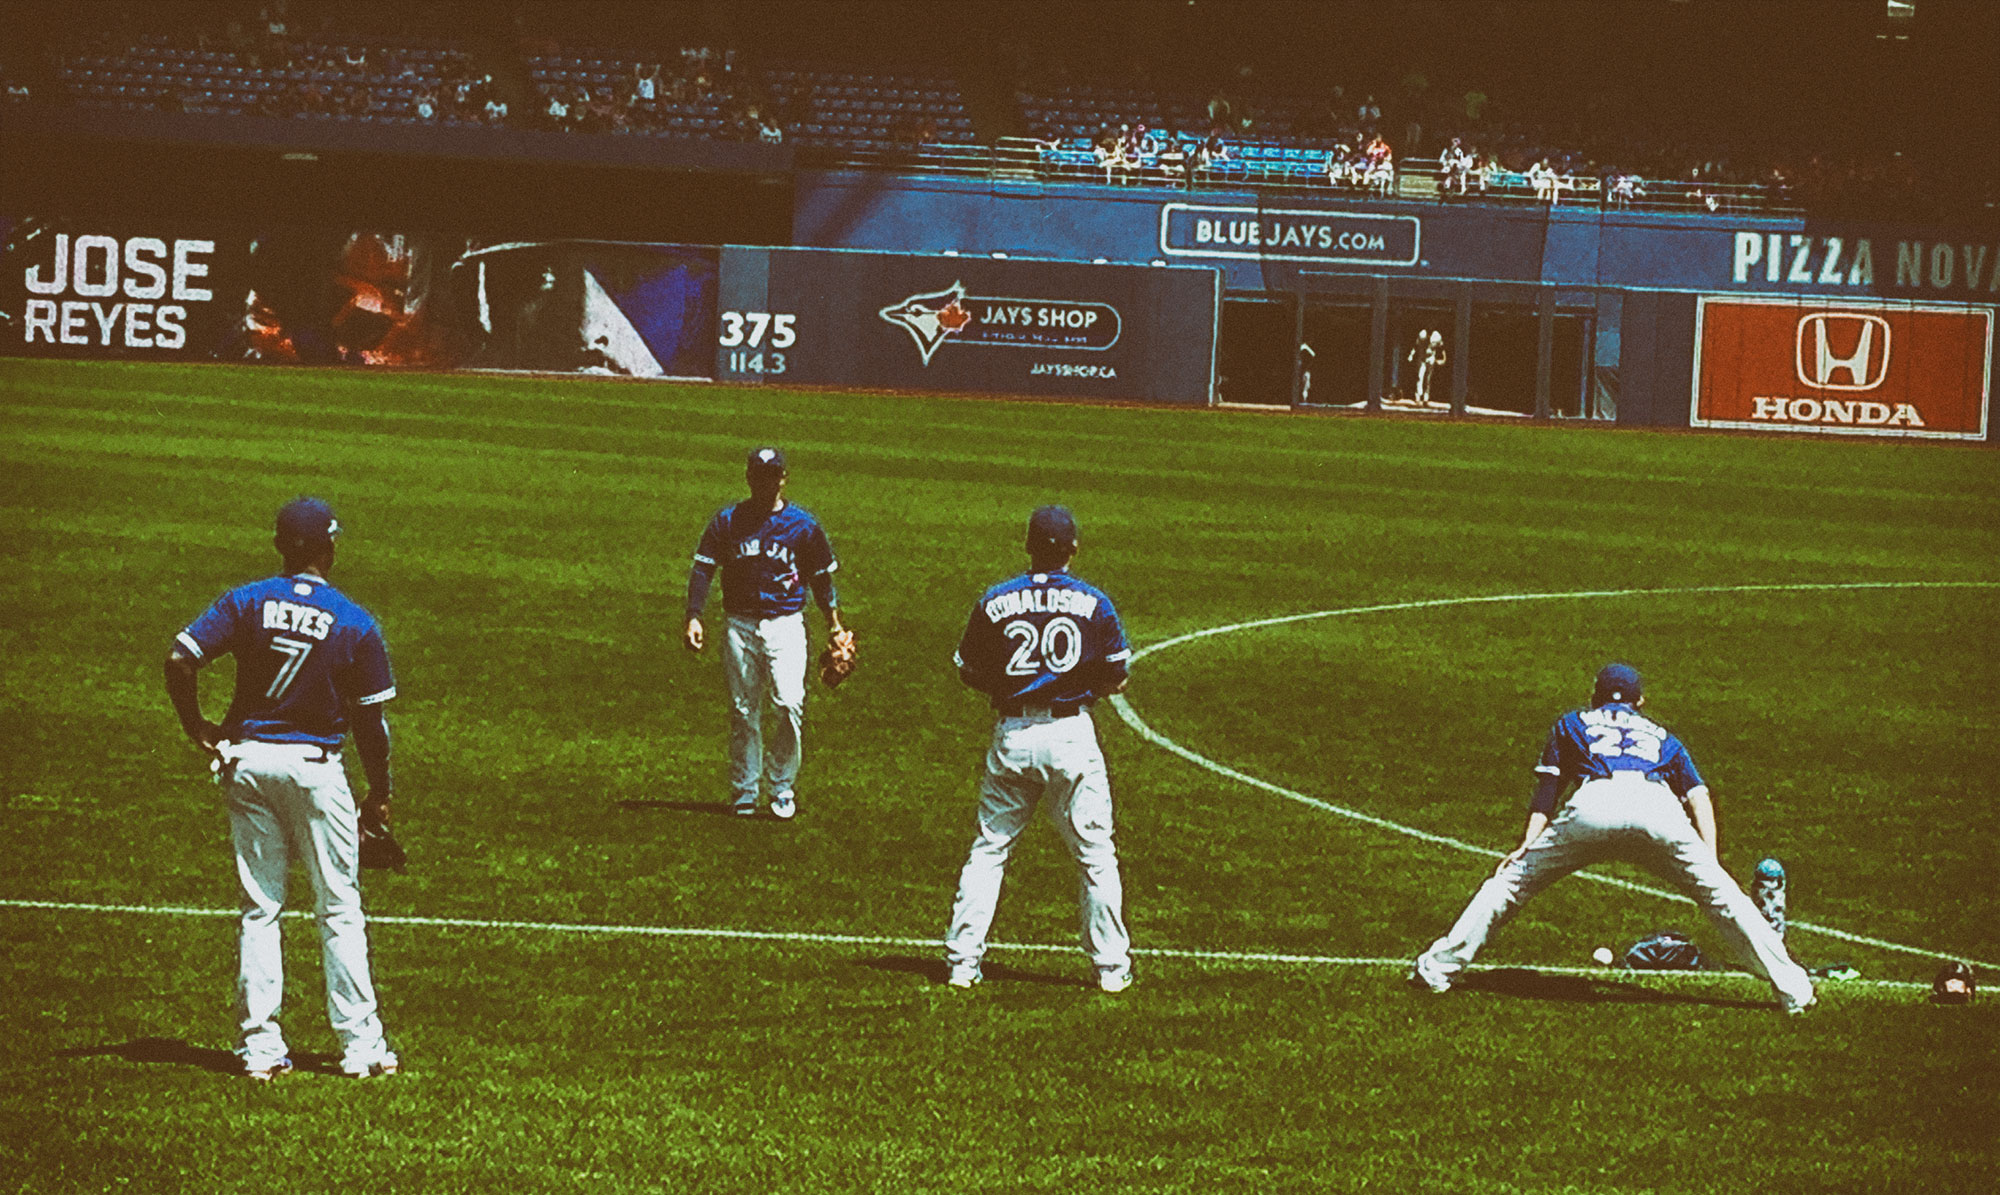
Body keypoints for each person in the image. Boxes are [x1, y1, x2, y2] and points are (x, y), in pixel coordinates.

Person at [1410, 664, 1817, 1015]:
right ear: (1639, 702)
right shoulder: (1663, 736)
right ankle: (1794, 990)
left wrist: (1526, 845)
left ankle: (1436, 969)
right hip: (1658, 809)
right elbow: (1698, 795)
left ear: (1595, 698)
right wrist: (1708, 859)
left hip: (1595, 803)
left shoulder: (1571, 722)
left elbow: (1548, 792)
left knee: (1510, 884)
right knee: (1724, 899)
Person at [163, 498, 402, 1080]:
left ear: (279, 547)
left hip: (246, 764)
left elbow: (180, 658)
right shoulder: (353, 620)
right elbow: (371, 722)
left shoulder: (246, 601)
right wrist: (379, 790)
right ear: (329, 547)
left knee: (260, 910)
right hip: (316, 769)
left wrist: (198, 728)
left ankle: (261, 1049)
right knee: (340, 908)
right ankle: (360, 1046)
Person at [944, 506, 1135, 993]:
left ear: (1029, 546)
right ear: (1072, 548)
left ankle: (962, 963)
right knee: (1095, 856)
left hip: (1012, 734)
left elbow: (968, 669)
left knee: (989, 849)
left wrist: (1009, 686)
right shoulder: (1095, 603)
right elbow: (1116, 675)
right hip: (1071, 735)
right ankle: (1111, 969)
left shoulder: (995, 600)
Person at [684, 447, 846, 819]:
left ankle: (782, 788)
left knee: (789, 704)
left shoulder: (804, 526)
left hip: (786, 623)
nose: (766, 482)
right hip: (740, 624)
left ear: (783, 478)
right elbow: (704, 568)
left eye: (773, 475)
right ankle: (744, 791)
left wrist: (834, 624)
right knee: (744, 711)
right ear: (749, 478)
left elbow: (822, 578)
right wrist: (694, 615)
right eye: (759, 475)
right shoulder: (727, 521)